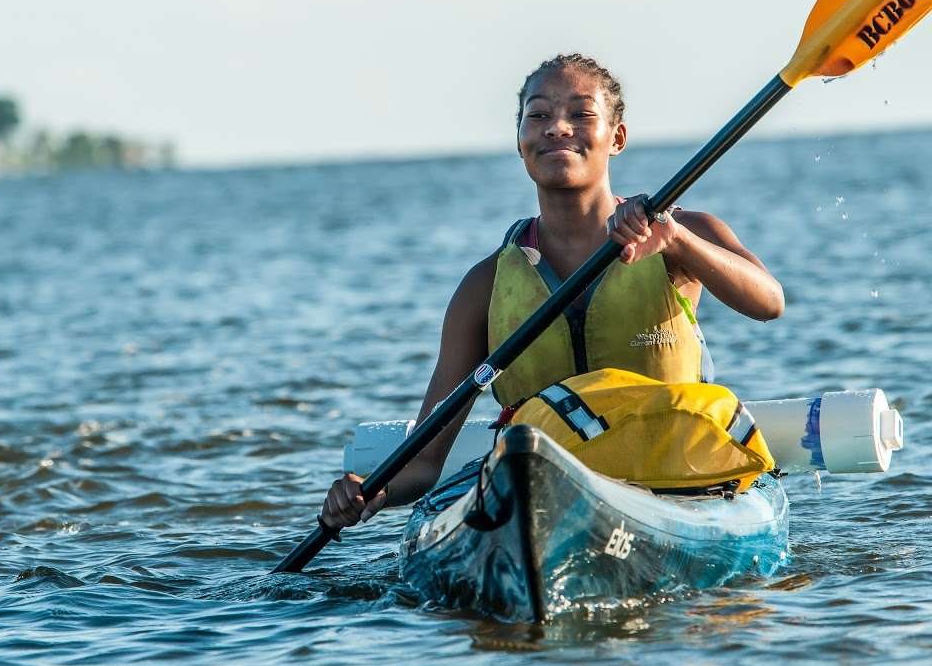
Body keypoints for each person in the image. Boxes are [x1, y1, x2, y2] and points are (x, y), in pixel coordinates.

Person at [320, 53, 784, 531]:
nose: (557, 128)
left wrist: (680, 242)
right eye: (538, 115)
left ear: (617, 138)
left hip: (678, 484)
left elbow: (769, 302)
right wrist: (371, 490)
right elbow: (424, 462)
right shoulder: (484, 286)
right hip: (545, 504)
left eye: (581, 114)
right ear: (520, 142)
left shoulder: (680, 232)